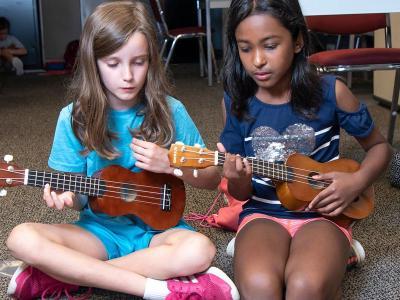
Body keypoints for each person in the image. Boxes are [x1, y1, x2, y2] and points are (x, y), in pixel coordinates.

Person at [5, 2, 239, 300]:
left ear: (151, 61)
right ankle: (152, 288)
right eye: (113, 64)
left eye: (138, 62)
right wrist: (68, 196)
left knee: (201, 249)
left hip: (160, 233)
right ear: (94, 62)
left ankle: (71, 277)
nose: (127, 76)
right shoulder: (74, 117)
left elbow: (210, 179)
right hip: (99, 233)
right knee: (21, 237)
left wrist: (171, 164)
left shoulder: (170, 111)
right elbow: (78, 200)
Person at [217, 0, 392, 299]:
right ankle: (271, 250)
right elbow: (243, 193)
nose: (257, 60)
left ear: (297, 40)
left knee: (304, 287)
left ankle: (337, 249)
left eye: (270, 45)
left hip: (322, 215)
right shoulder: (235, 102)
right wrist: (236, 178)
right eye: (245, 48)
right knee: (260, 287)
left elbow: (381, 148)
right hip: (262, 213)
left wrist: (357, 182)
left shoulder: (331, 92)